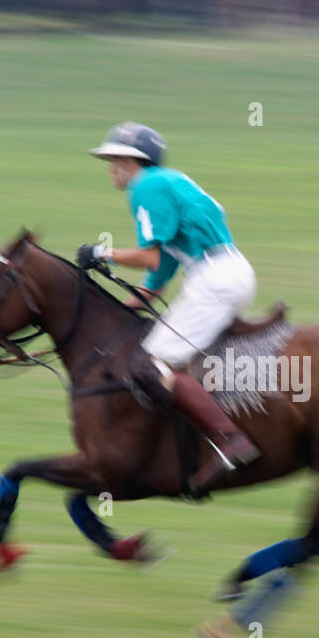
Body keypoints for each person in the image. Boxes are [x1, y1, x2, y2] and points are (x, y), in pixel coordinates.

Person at [77, 121, 261, 493]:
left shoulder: (146, 186)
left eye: (114, 159)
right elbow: (155, 282)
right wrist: (112, 321)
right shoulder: (167, 185)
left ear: (133, 161)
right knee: (166, 362)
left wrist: (102, 253)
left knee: (150, 365)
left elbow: (147, 256)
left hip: (215, 280)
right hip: (228, 274)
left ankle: (229, 441)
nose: (110, 168)